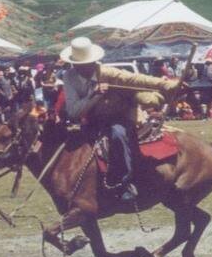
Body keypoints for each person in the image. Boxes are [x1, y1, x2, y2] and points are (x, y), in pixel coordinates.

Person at [59, 37, 180, 201]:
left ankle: (124, 183)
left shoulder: (108, 73)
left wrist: (166, 85)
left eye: (86, 64)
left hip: (119, 116)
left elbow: (135, 79)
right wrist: (94, 95)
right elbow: (73, 112)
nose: (81, 68)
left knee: (118, 134)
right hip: (92, 119)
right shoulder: (70, 77)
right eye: (78, 64)